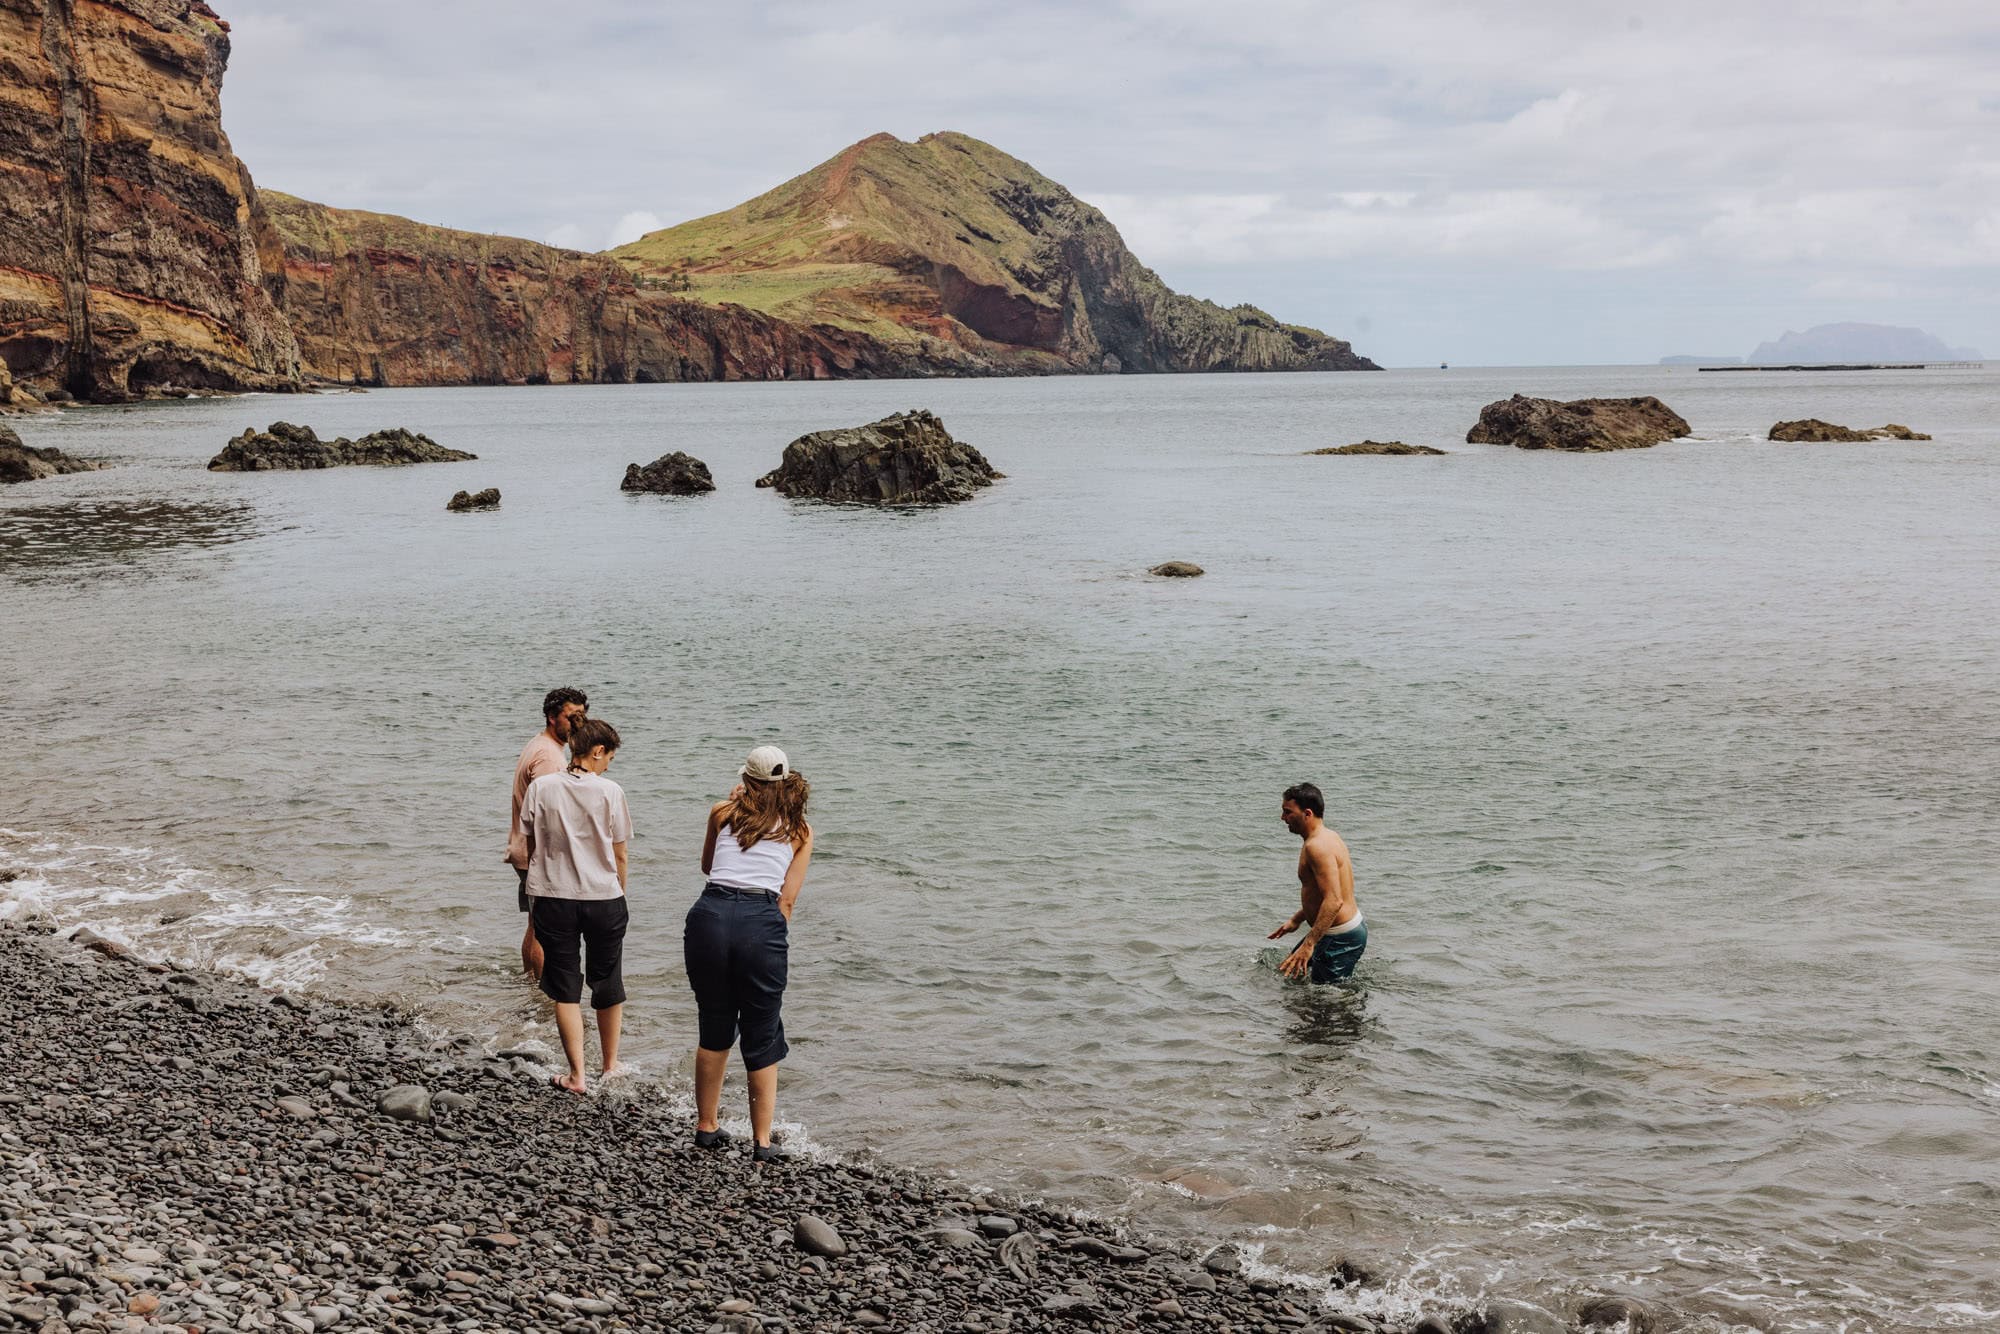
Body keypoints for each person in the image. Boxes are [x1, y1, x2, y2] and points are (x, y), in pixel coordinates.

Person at [684, 745, 814, 1161]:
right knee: (762, 1028)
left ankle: (706, 1127)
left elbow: (708, 866)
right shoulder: (799, 829)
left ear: (747, 780)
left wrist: (732, 803)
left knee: (714, 1021)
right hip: (761, 920)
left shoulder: (722, 812)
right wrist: (767, 936)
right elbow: (788, 902)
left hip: (709, 914)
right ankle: (761, 1142)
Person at [519, 717, 630, 1094]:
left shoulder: (542, 788)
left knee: (565, 986)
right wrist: (620, 894)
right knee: (608, 981)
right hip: (603, 898)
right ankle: (611, 1066)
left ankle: (577, 1076)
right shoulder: (610, 791)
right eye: (609, 757)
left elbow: (531, 844)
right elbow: (620, 854)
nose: (608, 766)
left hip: (553, 896)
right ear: (597, 751)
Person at [507, 687, 587, 980]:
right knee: (546, 929)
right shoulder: (549, 758)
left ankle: (530, 984)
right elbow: (548, 812)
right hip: (539, 854)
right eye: (572, 716)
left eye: (582, 716)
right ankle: (542, 994)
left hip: (525, 851)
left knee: (534, 924)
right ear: (552, 717)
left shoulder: (541, 745)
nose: (579, 722)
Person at [1268, 782, 1366, 983]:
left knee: (1328, 1005)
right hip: (1335, 932)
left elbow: (1334, 900)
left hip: (1339, 937)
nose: (1283, 818)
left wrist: (1309, 944)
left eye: (1288, 812)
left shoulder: (1317, 847)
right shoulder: (1328, 836)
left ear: (1307, 813)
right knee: (1290, 976)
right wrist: (1297, 919)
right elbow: (1322, 893)